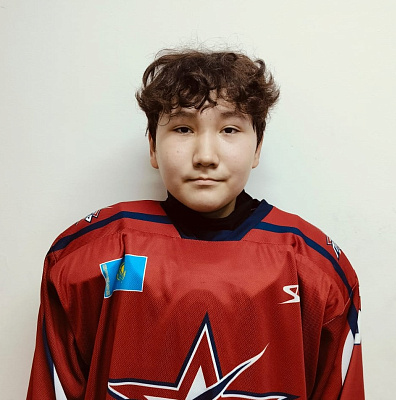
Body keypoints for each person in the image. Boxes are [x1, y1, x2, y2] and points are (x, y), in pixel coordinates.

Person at [28, 49, 364, 399]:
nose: (205, 156)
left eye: (229, 129)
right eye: (183, 128)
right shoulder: (88, 258)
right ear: (153, 147)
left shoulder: (316, 269)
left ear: (257, 147)